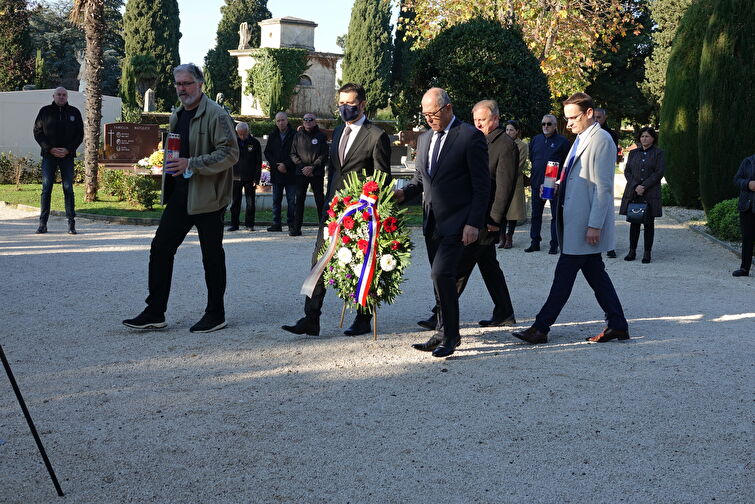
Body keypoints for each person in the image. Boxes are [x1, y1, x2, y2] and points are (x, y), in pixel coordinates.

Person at [123, 63, 239, 333]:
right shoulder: (177, 114)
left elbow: (231, 153)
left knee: (211, 256)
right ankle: (155, 311)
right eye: (178, 84)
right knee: (161, 248)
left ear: (200, 84)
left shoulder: (217, 114)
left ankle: (215, 313)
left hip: (208, 197)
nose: (182, 89)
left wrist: (192, 163)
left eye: (187, 83)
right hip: (181, 194)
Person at [512, 92, 629, 344]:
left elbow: (603, 187)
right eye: (566, 119)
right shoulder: (581, 137)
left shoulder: (602, 140)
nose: (569, 123)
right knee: (596, 275)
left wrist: (595, 225)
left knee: (563, 276)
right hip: (576, 220)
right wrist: (558, 186)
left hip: (585, 223)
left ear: (589, 113)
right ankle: (618, 324)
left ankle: (541, 327)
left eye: (573, 117)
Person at [282, 83, 391, 337]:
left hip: (361, 213)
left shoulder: (376, 135)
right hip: (333, 210)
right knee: (319, 259)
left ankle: (363, 317)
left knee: (359, 264)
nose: (344, 108)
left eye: (350, 104)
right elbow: (334, 171)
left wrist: (371, 207)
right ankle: (311, 318)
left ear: (362, 104)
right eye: (340, 103)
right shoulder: (339, 130)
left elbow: (381, 178)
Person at [395, 88, 490, 358]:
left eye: (433, 113)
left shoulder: (470, 137)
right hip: (432, 222)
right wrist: (403, 194)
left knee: (442, 274)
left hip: (459, 222)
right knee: (439, 279)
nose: (428, 119)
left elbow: (482, 186)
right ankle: (440, 331)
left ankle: (451, 335)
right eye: (425, 114)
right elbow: (420, 180)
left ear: (448, 108)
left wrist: (474, 223)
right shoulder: (424, 139)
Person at [416, 100, 517, 333]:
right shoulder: (474, 138)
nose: (478, 123)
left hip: (483, 217)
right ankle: (504, 310)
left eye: (483, 119)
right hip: (473, 212)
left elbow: (503, 186)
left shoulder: (504, 145)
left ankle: (441, 316)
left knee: (458, 266)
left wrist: (494, 220)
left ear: (496, 119)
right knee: (488, 265)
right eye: (475, 119)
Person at [32, 87, 84, 235]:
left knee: (68, 188)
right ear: (53, 96)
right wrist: (50, 149)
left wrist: (68, 149)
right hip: (49, 156)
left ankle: (71, 224)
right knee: (46, 187)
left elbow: (79, 134)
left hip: (67, 156)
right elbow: (37, 131)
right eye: (59, 95)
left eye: (64, 95)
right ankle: (43, 224)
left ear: (67, 97)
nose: (61, 97)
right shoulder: (45, 111)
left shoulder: (74, 112)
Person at [619, 127, 666, 264]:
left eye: (647, 136)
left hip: (650, 192)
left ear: (653, 138)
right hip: (634, 191)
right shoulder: (633, 153)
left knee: (649, 223)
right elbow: (627, 172)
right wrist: (636, 186)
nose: (644, 139)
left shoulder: (659, 153)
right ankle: (632, 251)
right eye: (642, 136)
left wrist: (644, 186)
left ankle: (647, 253)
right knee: (634, 221)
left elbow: (659, 172)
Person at [527, 114, 570, 254]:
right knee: (536, 215)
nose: (545, 126)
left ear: (555, 126)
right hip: (537, 182)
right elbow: (532, 158)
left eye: (549, 124)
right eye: (543, 124)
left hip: (554, 185)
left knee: (555, 216)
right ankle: (535, 242)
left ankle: (554, 244)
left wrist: (559, 182)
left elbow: (566, 164)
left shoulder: (562, 141)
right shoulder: (536, 140)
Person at [290, 113, 328, 236]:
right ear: (302, 122)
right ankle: (296, 228)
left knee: (319, 200)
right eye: (305, 119)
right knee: (299, 200)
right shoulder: (297, 136)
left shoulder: (321, 136)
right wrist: (303, 167)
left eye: (310, 119)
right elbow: (293, 154)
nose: (307, 121)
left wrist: (312, 167)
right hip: (301, 173)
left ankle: (323, 228)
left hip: (316, 173)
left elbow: (323, 155)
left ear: (315, 122)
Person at [264, 112, 297, 234]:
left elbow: (298, 152)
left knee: (291, 201)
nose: (280, 123)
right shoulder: (273, 135)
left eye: (282, 120)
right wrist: (276, 165)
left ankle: (291, 224)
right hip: (277, 172)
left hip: (290, 172)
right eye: (278, 121)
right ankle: (276, 223)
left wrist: (286, 164)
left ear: (287, 121)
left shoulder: (295, 135)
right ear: (275, 122)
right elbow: (268, 152)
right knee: (276, 200)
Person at [594, 107, 620, 258]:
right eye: (595, 117)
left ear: (604, 118)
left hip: (605, 176)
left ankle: (610, 246)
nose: (596, 120)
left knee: (608, 212)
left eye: (599, 117)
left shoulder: (611, 135)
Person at [228, 122, 261, 232]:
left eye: (244, 134)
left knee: (250, 202)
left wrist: (257, 178)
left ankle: (249, 224)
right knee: (235, 202)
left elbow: (258, 162)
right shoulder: (232, 143)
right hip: (235, 177)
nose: (242, 136)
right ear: (236, 133)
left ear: (248, 131)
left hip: (250, 177)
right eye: (240, 134)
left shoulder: (255, 143)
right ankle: (234, 224)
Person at [500, 120, 528, 249]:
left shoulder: (522, 145)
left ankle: (509, 237)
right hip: (500, 182)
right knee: (501, 211)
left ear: (517, 131)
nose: (508, 132)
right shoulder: (501, 143)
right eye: (506, 129)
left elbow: (519, 164)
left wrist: (505, 174)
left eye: (511, 130)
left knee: (513, 212)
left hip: (514, 181)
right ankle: (501, 237)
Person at [732, 153, 755, 277]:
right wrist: (748, 184)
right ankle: (744, 268)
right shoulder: (748, 161)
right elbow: (736, 179)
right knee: (747, 238)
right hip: (747, 206)